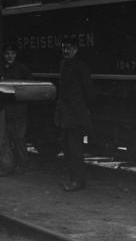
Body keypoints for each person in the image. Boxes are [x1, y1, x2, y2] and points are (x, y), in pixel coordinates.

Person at [55, 38, 94, 192]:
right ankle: (74, 179)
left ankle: (78, 182)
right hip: (67, 115)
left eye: (69, 48)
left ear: (76, 50)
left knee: (74, 148)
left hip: (76, 116)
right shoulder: (64, 65)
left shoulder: (80, 67)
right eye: (64, 48)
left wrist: (83, 111)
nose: (66, 51)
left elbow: (88, 92)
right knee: (68, 147)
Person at [0, 44, 32, 176]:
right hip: (5, 109)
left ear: (16, 54)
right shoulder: (0, 69)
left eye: (12, 53)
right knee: (5, 139)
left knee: (18, 139)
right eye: (7, 53)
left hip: (18, 110)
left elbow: (29, 87)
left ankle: (23, 165)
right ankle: (8, 167)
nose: (9, 56)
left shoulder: (22, 69)